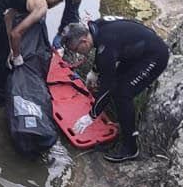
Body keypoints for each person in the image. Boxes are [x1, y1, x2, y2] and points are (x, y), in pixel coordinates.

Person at [60, 19, 170, 162]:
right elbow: (105, 53)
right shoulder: (97, 27)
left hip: (154, 56)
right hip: (137, 51)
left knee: (122, 93)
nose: (78, 54)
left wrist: (92, 115)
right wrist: (94, 71)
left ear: (84, 41)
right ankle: (123, 122)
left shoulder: (106, 46)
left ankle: (130, 148)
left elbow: (107, 86)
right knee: (118, 83)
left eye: (76, 50)